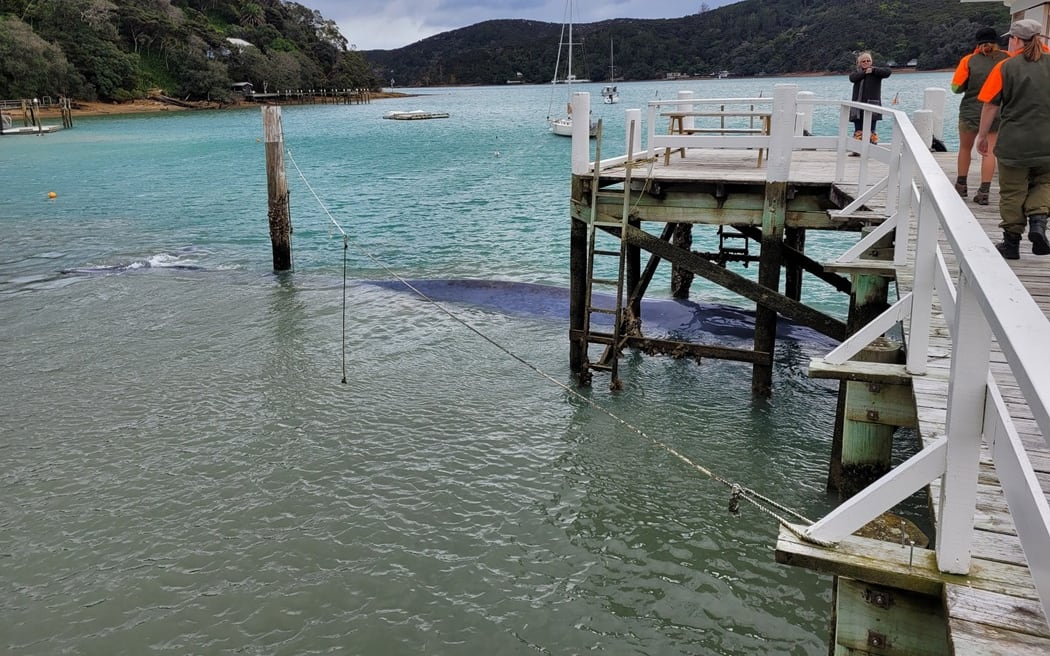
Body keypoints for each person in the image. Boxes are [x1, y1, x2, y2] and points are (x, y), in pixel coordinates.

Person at [976, 19, 1050, 259]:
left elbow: (990, 105)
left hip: (1014, 143)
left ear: (1017, 40)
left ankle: (1011, 244)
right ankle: (1038, 222)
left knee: (1011, 191)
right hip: (1047, 140)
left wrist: (982, 135)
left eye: (1011, 38)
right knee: (1045, 183)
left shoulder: (1005, 67)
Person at [951, 27, 1009, 204]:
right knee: (989, 152)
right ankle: (984, 192)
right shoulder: (1008, 59)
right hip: (997, 111)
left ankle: (961, 186)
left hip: (970, 111)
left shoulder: (969, 60)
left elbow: (956, 88)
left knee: (965, 148)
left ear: (978, 43)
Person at [849, 52, 892, 144]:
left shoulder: (876, 72)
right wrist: (865, 72)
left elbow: (888, 72)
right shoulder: (857, 73)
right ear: (859, 63)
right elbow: (852, 78)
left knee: (871, 130)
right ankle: (857, 148)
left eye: (868, 61)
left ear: (871, 62)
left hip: (872, 105)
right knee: (858, 130)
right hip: (858, 107)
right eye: (863, 61)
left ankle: (872, 147)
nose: (866, 62)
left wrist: (873, 70)